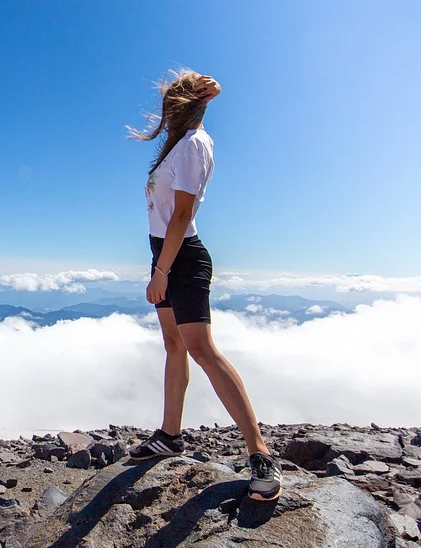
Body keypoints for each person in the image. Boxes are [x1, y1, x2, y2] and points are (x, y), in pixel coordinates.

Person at [127, 69, 282, 501]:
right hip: (166, 256)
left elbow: (181, 215)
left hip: (183, 259)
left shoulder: (195, 143)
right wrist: (158, 266)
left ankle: (260, 453)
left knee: (202, 350)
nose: (164, 111)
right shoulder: (178, 147)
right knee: (175, 346)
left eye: (171, 101)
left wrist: (161, 273)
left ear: (183, 105)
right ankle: (170, 435)